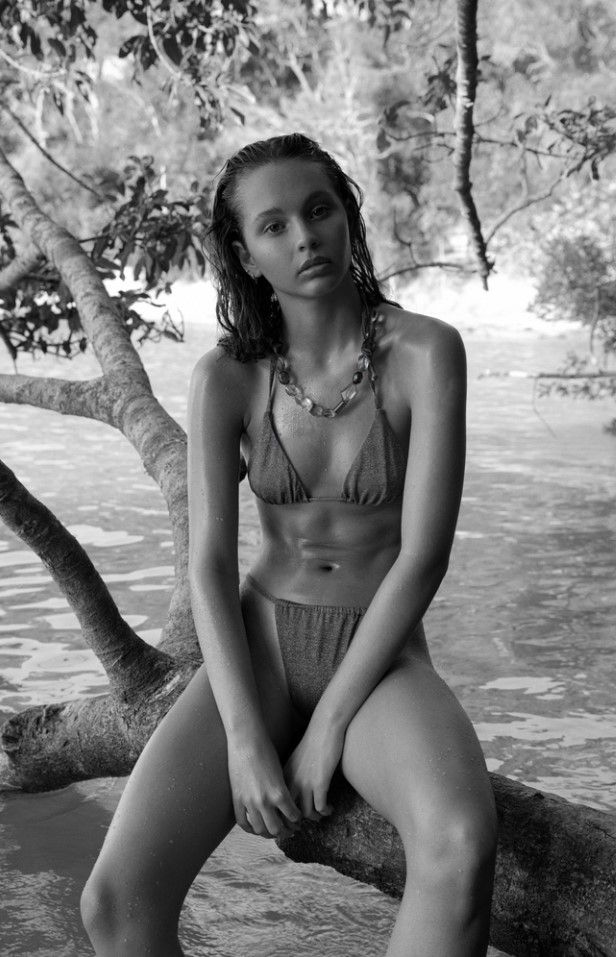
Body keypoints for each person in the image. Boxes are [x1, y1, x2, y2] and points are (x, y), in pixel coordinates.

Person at [80, 132, 498, 957]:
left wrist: (327, 727)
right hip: (262, 642)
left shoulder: (424, 352)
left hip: (379, 656)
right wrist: (244, 736)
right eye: (274, 226)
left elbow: (423, 557)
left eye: (319, 210)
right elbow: (208, 564)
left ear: (347, 217)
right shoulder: (227, 377)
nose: (305, 237)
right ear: (245, 253)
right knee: (114, 901)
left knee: (460, 844)